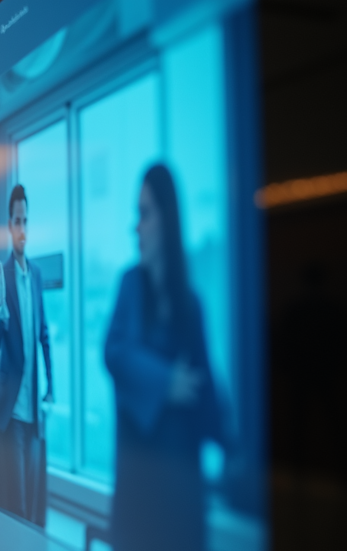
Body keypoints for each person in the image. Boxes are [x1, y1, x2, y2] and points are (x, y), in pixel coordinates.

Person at [104, 164, 224, 551]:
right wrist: (166, 383)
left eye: (145, 214)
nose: (136, 226)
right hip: (140, 485)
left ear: (167, 220)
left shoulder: (190, 305)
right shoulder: (130, 285)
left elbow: (207, 392)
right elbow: (115, 353)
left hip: (182, 491)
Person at [0, 184, 53, 525]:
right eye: (16, 220)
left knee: (36, 504)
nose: (21, 227)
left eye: (26, 220)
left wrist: (51, 386)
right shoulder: (3, 276)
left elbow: (43, 335)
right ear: (9, 225)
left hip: (34, 415)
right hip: (12, 411)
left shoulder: (37, 275)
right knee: (20, 505)